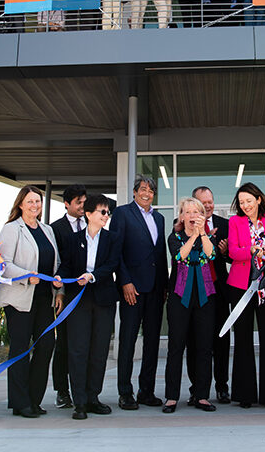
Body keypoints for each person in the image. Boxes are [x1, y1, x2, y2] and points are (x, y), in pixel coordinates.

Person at [0, 186, 63, 418]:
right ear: (21, 204)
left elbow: (56, 261)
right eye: (30, 201)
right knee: (20, 350)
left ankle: (34, 399)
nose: (35, 206)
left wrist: (58, 282)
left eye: (38, 202)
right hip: (19, 299)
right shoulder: (11, 229)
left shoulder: (47, 230)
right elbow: (3, 263)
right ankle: (20, 402)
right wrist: (25, 275)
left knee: (45, 347)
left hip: (44, 298)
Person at [56, 194, 121, 420]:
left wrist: (92, 276)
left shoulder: (112, 239)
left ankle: (94, 398)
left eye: (108, 213)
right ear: (89, 214)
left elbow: (112, 264)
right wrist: (59, 278)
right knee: (78, 350)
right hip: (78, 301)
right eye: (102, 212)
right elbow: (66, 266)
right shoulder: (73, 240)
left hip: (103, 300)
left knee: (99, 350)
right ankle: (79, 402)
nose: (106, 216)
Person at [111, 175, 167, 410]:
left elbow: (160, 255)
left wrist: (164, 286)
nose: (147, 193)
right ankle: (125, 392)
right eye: (143, 189)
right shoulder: (122, 213)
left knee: (152, 342)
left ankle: (147, 391)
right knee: (128, 341)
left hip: (155, 289)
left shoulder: (159, 218)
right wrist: (125, 282)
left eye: (151, 190)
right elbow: (116, 251)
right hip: (132, 289)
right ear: (134, 192)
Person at [226, 182, 265, 409]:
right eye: (241, 202)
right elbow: (232, 251)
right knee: (243, 339)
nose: (245, 205)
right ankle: (244, 394)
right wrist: (249, 250)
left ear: (258, 199)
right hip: (241, 286)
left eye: (249, 201)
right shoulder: (235, 222)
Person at [163, 197, 219, 413]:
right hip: (179, 297)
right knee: (176, 347)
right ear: (181, 215)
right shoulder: (174, 236)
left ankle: (202, 395)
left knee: (205, 347)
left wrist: (202, 233)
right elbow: (179, 256)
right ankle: (171, 397)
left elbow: (211, 254)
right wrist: (193, 236)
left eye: (197, 212)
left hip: (205, 297)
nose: (193, 216)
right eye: (188, 212)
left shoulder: (207, 236)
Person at [186, 186, 230, 404]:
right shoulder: (186, 226)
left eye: (211, 201)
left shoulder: (225, 225)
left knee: (220, 340)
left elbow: (233, 256)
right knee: (195, 343)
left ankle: (222, 387)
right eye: (204, 202)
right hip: (195, 292)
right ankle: (197, 388)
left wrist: (225, 252)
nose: (209, 205)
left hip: (218, 290)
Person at [49, 183, 89, 409]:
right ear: (67, 204)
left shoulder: (92, 223)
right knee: (63, 343)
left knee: (82, 345)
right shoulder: (56, 228)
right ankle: (62, 391)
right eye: (78, 203)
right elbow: (57, 264)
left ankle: (83, 389)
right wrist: (60, 293)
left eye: (85, 202)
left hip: (88, 292)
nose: (83, 207)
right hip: (66, 293)